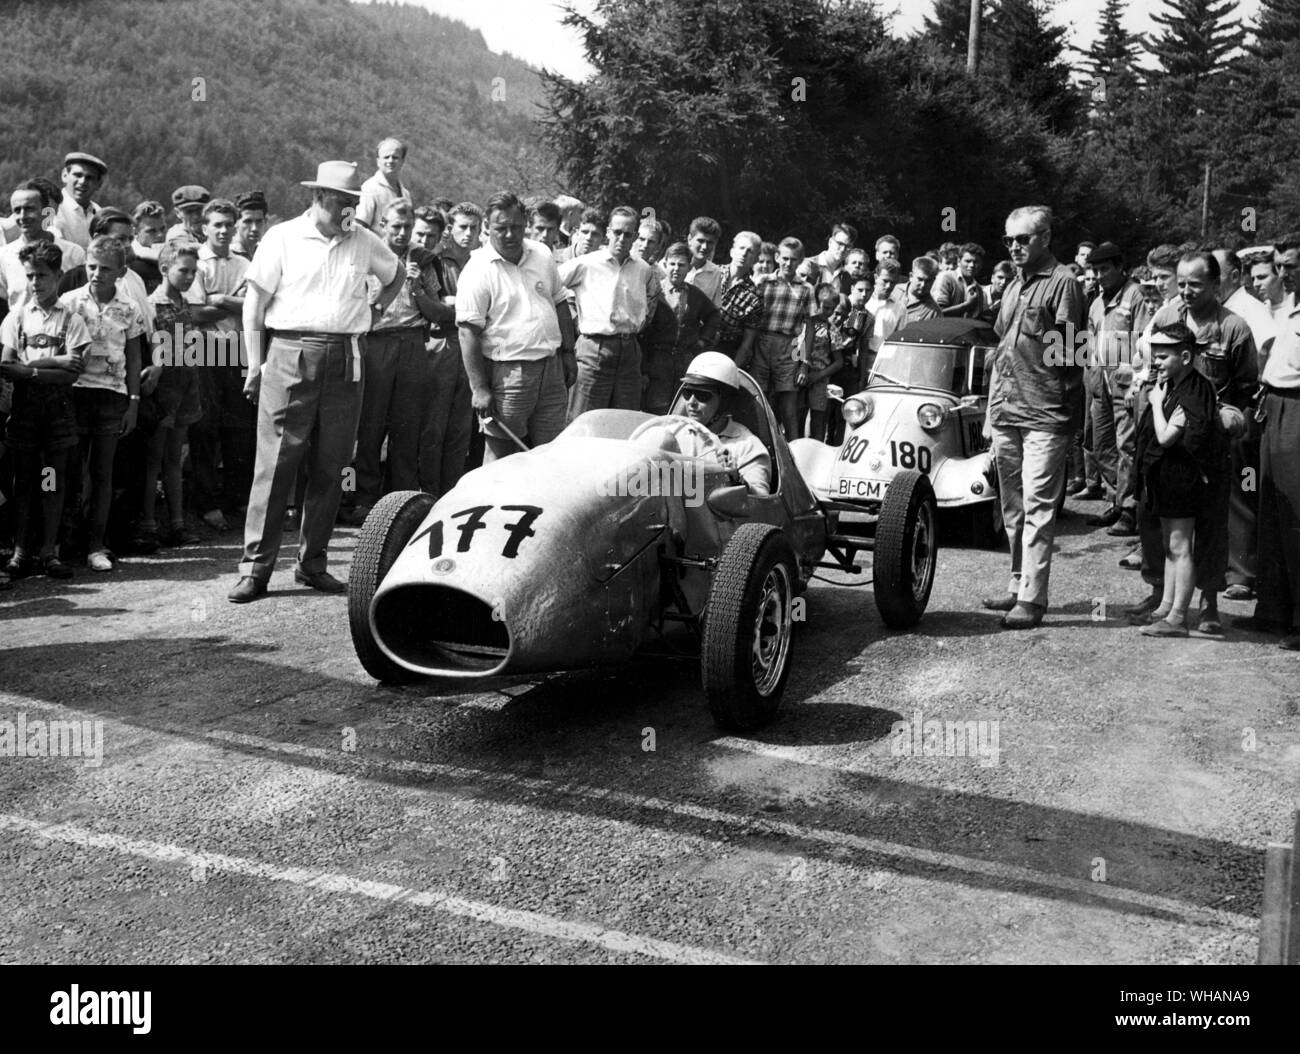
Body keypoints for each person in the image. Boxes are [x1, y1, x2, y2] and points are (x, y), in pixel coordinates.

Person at [228, 161, 402, 603]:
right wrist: (253, 364)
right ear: (319, 198)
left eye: (354, 203)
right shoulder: (283, 237)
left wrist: (375, 313)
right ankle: (255, 568)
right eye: (342, 202)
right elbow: (254, 305)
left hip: (347, 354)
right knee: (276, 464)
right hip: (289, 351)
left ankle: (313, 564)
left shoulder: (363, 239)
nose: (349, 211)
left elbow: (396, 273)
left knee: (332, 464)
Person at [1128, 251, 1255, 633]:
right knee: (1158, 521)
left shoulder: (1234, 327)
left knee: (1211, 525)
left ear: (1216, 285)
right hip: (1166, 438)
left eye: (1194, 284)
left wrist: (1228, 417)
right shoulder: (1165, 318)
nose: (1185, 290)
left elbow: (1247, 387)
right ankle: (1161, 595)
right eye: (1180, 283)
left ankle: (1209, 603)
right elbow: (1146, 367)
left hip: (1209, 444)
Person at [982, 205, 1086, 629]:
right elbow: (1000, 348)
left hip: (1044, 411)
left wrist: (1055, 391)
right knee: (1013, 508)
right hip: (1007, 408)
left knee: (1040, 507)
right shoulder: (1014, 285)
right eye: (1009, 240)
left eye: (1022, 239)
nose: (1014, 247)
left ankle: (1033, 598)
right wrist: (991, 412)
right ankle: (1016, 583)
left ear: (1045, 237)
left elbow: (1071, 356)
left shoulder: (1064, 284)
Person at [346, 200, 448, 522]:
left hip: (413, 343)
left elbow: (438, 312)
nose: (402, 233)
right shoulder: (368, 254)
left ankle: (401, 502)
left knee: (408, 425)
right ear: (383, 226)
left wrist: (417, 287)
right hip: (376, 341)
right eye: (396, 227)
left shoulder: (424, 261)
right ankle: (363, 498)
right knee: (371, 423)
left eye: (407, 227)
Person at [456, 190, 576, 463]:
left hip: (552, 369)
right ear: (487, 227)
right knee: (502, 455)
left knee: (551, 453)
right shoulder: (477, 270)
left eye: (516, 227)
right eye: (501, 228)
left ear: (525, 223)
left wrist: (568, 353)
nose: (510, 235)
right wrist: (480, 388)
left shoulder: (542, 254)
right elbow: (467, 332)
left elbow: (559, 303)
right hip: (509, 375)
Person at [0, 241, 90, 580]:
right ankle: (21, 552)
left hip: (57, 411)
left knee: (51, 481)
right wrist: (53, 362)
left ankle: (49, 551)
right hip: (25, 413)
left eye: (42, 276)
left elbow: (73, 370)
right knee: (24, 481)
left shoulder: (72, 320)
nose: (35, 283)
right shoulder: (17, 317)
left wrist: (33, 369)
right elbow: (8, 366)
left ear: (58, 276)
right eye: (30, 276)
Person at [1131, 322, 1229, 637]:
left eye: (1162, 356)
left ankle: (1177, 618)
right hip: (1168, 478)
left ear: (1185, 356)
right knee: (1170, 545)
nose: (1155, 361)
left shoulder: (1194, 391)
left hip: (1183, 479)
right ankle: (1166, 607)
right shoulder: (1173, 382)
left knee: (1180, 545)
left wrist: (1156, 404)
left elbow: (1165, 436)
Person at [60, 234, 146, 572]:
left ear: (121, 271)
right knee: (61, 470)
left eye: (106, 268)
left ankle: (96, 545)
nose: (97, 274)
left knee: (102, 473)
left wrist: (134, 402)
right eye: (92, 267)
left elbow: (135, 358)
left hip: (112, 397)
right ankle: (58, 541)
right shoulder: (69, 301)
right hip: (73, 394)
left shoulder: (130, 308)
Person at [1243, 233, 1300, 649]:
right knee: (1272, 507)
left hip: (1297, 409)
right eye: (1281, 265)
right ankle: (1274, 610)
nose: (1285, 273)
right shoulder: (1287, 309)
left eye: (1292, 265)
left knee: (1296, 512)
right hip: (1274, 405)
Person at [185, 198, 252, 533]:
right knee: (206, 427)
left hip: (238, 349)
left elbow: (256, 307)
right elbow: (196, 313)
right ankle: (207, 502)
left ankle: (236, 498)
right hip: (205, 349)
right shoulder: (196, 262)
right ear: (205, 227)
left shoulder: (244, 263)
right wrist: (236, 303)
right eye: (217, 225)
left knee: (239, 427)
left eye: (229, 224)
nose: (224, 230)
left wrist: (221, 299)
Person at [559, 205, 660, 420]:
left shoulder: (643, 269)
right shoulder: (586, 264)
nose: (622, 238)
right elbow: (551, 289)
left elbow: (650, 302)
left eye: (628, 234)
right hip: (594, 350)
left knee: (624, 421)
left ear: (635, 237)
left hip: (629, 351)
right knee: (583, 421)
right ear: (608, 232)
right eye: (617, 232)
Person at [1215, 247, 1275, 600]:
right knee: (1224, 489)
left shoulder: (1249, 310)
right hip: (1223, 413)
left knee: (1242, 489)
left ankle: (1243, 572)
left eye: (1216, 274)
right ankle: (1226, 564)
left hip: (1245, 410)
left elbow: (1267, 349)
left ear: (1235, 276)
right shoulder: (1222, 310)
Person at [139, 240, 204, 550]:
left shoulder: (184, 305)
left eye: (193, 271)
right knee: (153, 460)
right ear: (165, 269)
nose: (190, 276)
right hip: (162, 393)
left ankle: (177, 524)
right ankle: (148, 524)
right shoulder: (152, 306)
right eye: (183, 270)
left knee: (175, 459)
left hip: (185, 389)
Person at [1080, 242, 1145, 534]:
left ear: (1120, 267)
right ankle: (1115, 499)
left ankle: (1130, 509)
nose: (1099, 275)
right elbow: (1089, 341)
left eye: (1105, 269)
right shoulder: (1095, 302)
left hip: (1125, 383)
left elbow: (1144, 341)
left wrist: (1135, 379)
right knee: (1101, 444)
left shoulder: (1135, 295)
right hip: (1099, 382)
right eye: (1095, 270)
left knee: (1126, 446)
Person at [666, 352, 770, 494]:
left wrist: (735, 480)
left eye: (702, 395)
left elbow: (761, 500)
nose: (691, 402)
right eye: (687, 393)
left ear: (725, 401)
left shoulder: (747, 446)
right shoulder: (673, 433)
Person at [745, 236, 812, 440]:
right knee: (758, 399)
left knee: (788, 407)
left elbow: (809, 330)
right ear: (776, 257)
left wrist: (804, 363)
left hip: (789, 345)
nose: (788, 263)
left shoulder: (806, 289)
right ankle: (757, 445)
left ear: (800, 260)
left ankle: (793, 452)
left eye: (793, 259)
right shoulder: (763, 282)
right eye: (784, 258)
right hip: (762, 342)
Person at [644, 242, 720, 416]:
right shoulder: (655, 292)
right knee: (655, 407)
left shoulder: (694, 294)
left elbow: (714, 315)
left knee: (680, 407)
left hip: (683, 361)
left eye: (681, 265)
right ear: (665, 265)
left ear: (689, 268)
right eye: (672, 264)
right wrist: (644, 369)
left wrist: (703, 340)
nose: (676, 269)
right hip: (657, 360)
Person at [0, 182, 86, 314]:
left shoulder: (74, 253)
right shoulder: (4, 256)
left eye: (30, 209)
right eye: (17, 210)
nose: (23, 216)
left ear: (46, 211)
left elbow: (83, 301)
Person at [797, 283, 844, 442]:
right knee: (798, 416)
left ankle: (816, 451)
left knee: (818, 419)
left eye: (832, 309)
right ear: (816, 303)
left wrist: (819, 375)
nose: (829, 312)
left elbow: (839, 362)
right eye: (825, 307)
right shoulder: (804, 323)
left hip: (820, 378)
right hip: (800, 374)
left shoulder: (832, 330)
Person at [713, 231, 763, 362]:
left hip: (724, 352)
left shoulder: (755, 297)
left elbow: (746, 344)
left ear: (756, 259)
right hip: (697, 342)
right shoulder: (712, 273)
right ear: (732, 251)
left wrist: (734, 370)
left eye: (750, 251)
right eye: (741, 248)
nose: (744, 253)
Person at [50, 152, 107, 250]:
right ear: (65, 175)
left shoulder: (99, 213)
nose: (82, 182)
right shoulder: (53, 209)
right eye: (77, 175)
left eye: (90, 178)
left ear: (99, 183)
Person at [356, 138, 412, 232]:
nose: (390, 161)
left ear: (402, 161)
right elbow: (360, 225)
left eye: (395, 157)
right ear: (378, 161)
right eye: (386, 157)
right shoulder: (370, 189)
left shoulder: (405, 194)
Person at [683, 216, 723, 304]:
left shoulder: (715, 272)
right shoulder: (672, 264)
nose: (704, 247)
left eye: (710, 242)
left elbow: (715, 309)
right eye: (700, 241)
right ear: (690, 239)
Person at [813, 223, 856, 290]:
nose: (842, 249)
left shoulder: (846, 277)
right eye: (840, 244)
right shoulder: (809, 265)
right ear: (830, 242)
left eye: (848, 246)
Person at [231, 190, 269, 260]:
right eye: (248, 221)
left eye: (259, 221)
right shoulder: (228, 255)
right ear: (235, 222)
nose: (254, 228)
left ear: (265, 222)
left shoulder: (268, 254)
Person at [903, 257, 943, 323]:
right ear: (911, 276)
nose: (923, 285)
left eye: (928, 281)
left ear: (933, 281)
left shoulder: (934, 313)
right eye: (920, 279)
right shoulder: (894, 290)